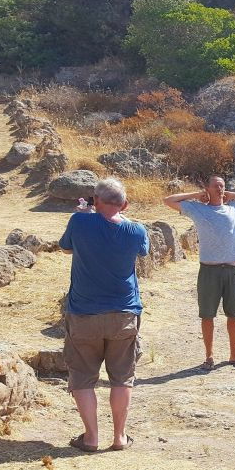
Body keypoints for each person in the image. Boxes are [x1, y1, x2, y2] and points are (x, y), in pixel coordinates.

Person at [59, 177, 149, 452]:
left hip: (84, 312)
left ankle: (91, 438)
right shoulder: (137, 230)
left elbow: (65, 247)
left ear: (95, 200)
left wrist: (85, 215)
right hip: (124, 312)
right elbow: (142, 253)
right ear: (125, 204)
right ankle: (119, 437)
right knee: (122, 377)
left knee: (83, 377)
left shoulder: (79, 221)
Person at [163, 175, 235, 370]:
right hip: (209, 270)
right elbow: (168, 201)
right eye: (215, 186)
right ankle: (209, 357)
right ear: (207, 188)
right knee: (207, 315)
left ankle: (234, 356)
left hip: (232, 269)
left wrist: (231, 194)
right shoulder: (198, 209)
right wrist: (198, 194)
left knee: (234, 315)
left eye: (222, 186)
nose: (220, 189)